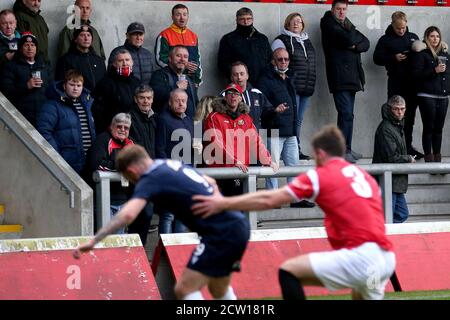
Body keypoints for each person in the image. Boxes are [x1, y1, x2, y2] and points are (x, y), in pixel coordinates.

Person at [192, 125, 396, 300]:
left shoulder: (321, 175)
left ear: (320, 154)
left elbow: (269, 198)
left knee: (289, 272)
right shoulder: (363, 176)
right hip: (385, 257)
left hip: (361, 256)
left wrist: (222, 203)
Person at [74, 144, 250, 300]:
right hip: (234, 224)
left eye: (129, 177)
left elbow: (127, 215)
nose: (134, 181)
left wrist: (95, 239)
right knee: (217, 287)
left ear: (131, 171)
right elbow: (210, 181)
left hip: (220, 233)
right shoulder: (169, 164)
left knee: (184, 289)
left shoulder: (150, 177)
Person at [257, 48, 315, 208]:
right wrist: (274, 110)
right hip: (273, 129)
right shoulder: (265, 80)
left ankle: (295, 198)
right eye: (280, 59)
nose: (283, 62)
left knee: (293, 166)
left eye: (286, 59)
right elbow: (260, 105)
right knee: (273, 167)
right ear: (273, 61)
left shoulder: (289, 77)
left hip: (290, 131)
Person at [204, 83, 277, 196]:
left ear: (240, 98)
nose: (233, 96)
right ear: (225, 97)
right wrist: (234, 160)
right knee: (222, 208)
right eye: (230, 93)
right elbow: (216, 142)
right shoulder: (214, 117)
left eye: (236, 93)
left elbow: (256, 141)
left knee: (239, 207)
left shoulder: (246, 119)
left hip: (240, 170)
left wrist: (267, 160)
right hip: (220, 171)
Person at [320, 0, 369, 163]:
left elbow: (366, 42)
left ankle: (347, 148)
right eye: (338, 9)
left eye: (344, 9)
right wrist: (353, 41)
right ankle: (341, 150)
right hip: (339, 76)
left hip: (353, 77)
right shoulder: (328, 24)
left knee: (349, 115)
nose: (341, 12)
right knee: (345, 113)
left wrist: (355, 46)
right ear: (332, 10)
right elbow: (348, 39)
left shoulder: (348, 25)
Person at [373, 11, 422, 160]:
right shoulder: (385, 39)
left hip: (412, 83)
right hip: (396, 82)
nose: (401, 31)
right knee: (395, 116)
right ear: (392, 25)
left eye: (403, 28)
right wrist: (393, 58)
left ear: (406, 23)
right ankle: (395, 148)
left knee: (410, 117)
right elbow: (376, 58)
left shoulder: (412, 37)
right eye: (398, 28)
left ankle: (408, 146)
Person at [272, 12, 316, 160]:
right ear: (287, 24)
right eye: (293, 21)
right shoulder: (281, 40)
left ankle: (295, 148)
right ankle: (293, 149)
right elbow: (275, 62)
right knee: (292, 118)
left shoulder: (306, 40)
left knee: (299, 119)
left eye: (299, 21)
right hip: (291, 86)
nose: (297, 24)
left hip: (307, 86)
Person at [36, 70, 95, 174]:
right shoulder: (52, 105)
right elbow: (43, 131)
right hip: (66, 163)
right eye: (72, 84)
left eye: (79, 85)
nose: (75, 88)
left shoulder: (87, 104)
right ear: (64, 86)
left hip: (87, 162)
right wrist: (57, 156)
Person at [85, 113, 134, 234]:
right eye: (119, 126)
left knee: (119, 240)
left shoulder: (131, 144)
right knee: (105, 240)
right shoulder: (102, 140)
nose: (122, 130)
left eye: (126, 127)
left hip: (123, 200)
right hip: (104, 200)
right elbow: (96, 165)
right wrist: (121, 166)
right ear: (112, 126)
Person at [155, 89, 194, 234]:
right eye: (177, 100)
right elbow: (160, 148)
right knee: (168, 214)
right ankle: (165, 249)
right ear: (170, 102)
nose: (181, 103)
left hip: (187, 174)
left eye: (183, 100)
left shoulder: (189, 120)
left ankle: (178, 250)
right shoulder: (164, 119)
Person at [410, 26, 450, 163]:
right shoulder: (421, 53)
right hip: (427, 96)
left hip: (443, 97)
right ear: (427, 37)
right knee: (429, 128)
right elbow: (416, 75)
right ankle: (429, 159)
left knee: (439, 129)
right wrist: (435, 70)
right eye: (432, 36)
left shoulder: (445, 54)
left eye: (437, 36)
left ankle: (438, 160)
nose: (435, 39)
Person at [373, 95, 414, 223]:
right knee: (387, 217)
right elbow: (391, 157)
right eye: (396, 109)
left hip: (395, 182)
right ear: (390, 109)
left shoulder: (396, 126)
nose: (400, 112)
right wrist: (408, 159)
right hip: (387, 182)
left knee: (401, 214)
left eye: (402, 109)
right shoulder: (386, 128)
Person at [0, 32, 50, 127]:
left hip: (43, 114)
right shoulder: (11, 66)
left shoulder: (44, 65)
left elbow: (51, 87)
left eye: (32, 45)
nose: (30, 48)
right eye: (26, 45)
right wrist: (26, 86)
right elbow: (6, 92)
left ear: (36, 48)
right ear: (21, 48)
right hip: (21, 116)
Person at [218, 7, 272, 85]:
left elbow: (270, 60)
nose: (246, 22)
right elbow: (222, 63)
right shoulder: (228, 39)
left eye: (248, 19)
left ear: (252, 20)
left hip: (262, 83)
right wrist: (237, 76)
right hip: (239, 84)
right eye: (242, 19)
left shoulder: (262, 38)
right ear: (237, 20)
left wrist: (266, 77)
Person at [92, 49, 140, 134]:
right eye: (121, 61)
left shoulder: (137, 82)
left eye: (127, 60)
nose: (125, 63)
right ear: (114, 64)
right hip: (114, 131)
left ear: (132, 62)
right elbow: (98, 111)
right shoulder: (105, 84)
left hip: (135, 130)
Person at [155, 3, 202, 86]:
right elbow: (160, 59)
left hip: (192, 82)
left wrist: (198, 79)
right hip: (173, 81)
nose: (182, 18)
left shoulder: (193, 36)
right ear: (172, 17)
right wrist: (183, 64)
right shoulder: (165, 35)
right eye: (178, 14)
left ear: (188, 16)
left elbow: (198, 59)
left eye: (184, 14)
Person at [150, 45, 198, 118]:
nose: (182, 59)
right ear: (170, 58)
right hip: (167, 124)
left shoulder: (189, 79)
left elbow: (195, 102)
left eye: (185, 57)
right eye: (178, 56)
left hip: (189, 124)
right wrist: (176, 87)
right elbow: (155, 96)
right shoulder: (159, 75)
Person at [55, 24, 106, 92]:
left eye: (88, 35)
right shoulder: (65, 60)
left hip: (98, 101)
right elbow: (60, 84)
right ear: (75, 39)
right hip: (78, 100)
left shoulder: (99, 60)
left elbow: (105, 82)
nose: (86, 38)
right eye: (82, 35)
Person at [229, 61, 272, 130]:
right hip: (236, 137)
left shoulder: (257, 94)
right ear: (231, 77)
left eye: (242, 74)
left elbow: (267, 115)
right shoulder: (225, 95)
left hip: (256, 136)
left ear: (247, 76)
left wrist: (276, 111)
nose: (239, 77)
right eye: (235, 74)